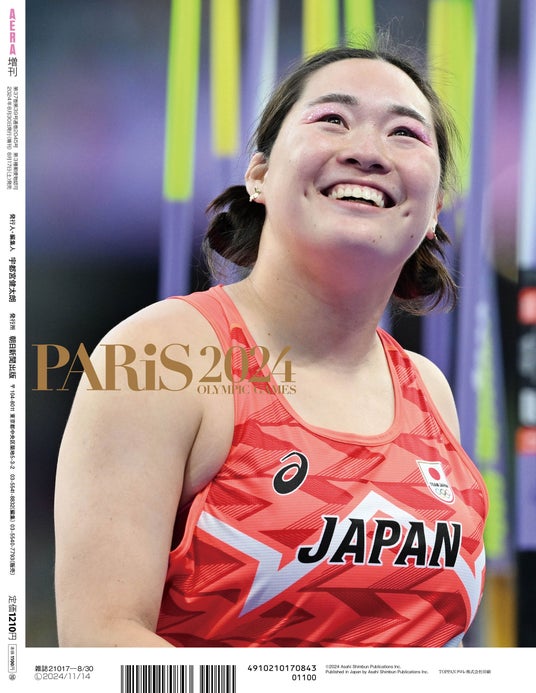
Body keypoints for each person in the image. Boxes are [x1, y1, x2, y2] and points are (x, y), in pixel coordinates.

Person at [54, 41, 488, 648]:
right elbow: (98, 641)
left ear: (433, 209)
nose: (367, 151)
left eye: (405, 133)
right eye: (332, 119)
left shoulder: (428, 391)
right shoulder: (162, 355)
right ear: (258, 175)